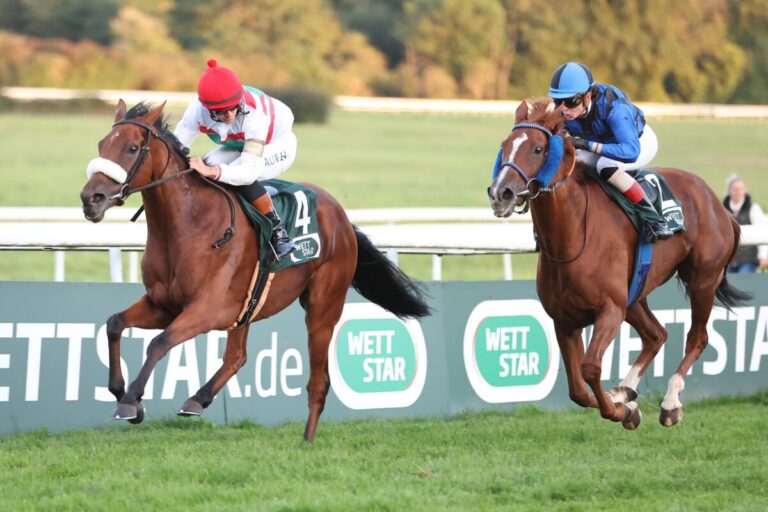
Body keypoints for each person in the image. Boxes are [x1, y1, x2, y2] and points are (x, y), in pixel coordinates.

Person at [174, 59, 296, 260]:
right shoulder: (196, 110)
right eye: (221, 112)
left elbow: (248, 172)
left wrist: (212, 172)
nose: (230, 115)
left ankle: (278, 232)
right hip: (238, 144)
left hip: (275, 144)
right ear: (206, 108)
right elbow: (177, 146)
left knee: (234, 174)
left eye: (233, 108)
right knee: (204, 168)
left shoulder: (256, 114)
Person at [548, 62, 673, 242]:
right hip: (601, 143)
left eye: (570, 101)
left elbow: (630, 151)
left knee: (604, 165)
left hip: (638, 142)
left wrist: (587, 145)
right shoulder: (564, 111)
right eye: (558, 101)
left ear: (587, 96)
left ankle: (654, 219)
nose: (564, 108)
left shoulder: (613, 106)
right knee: (573, 163)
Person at [723, 175, 768, 273]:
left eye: (741, 189)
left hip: (748, 261)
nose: (738, 192)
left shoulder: (753, 209)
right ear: (729, 191)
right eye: (735, 189)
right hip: (727, 261)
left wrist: (763, 256)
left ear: (745, 190)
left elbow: (762, 232)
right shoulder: (722, 210)